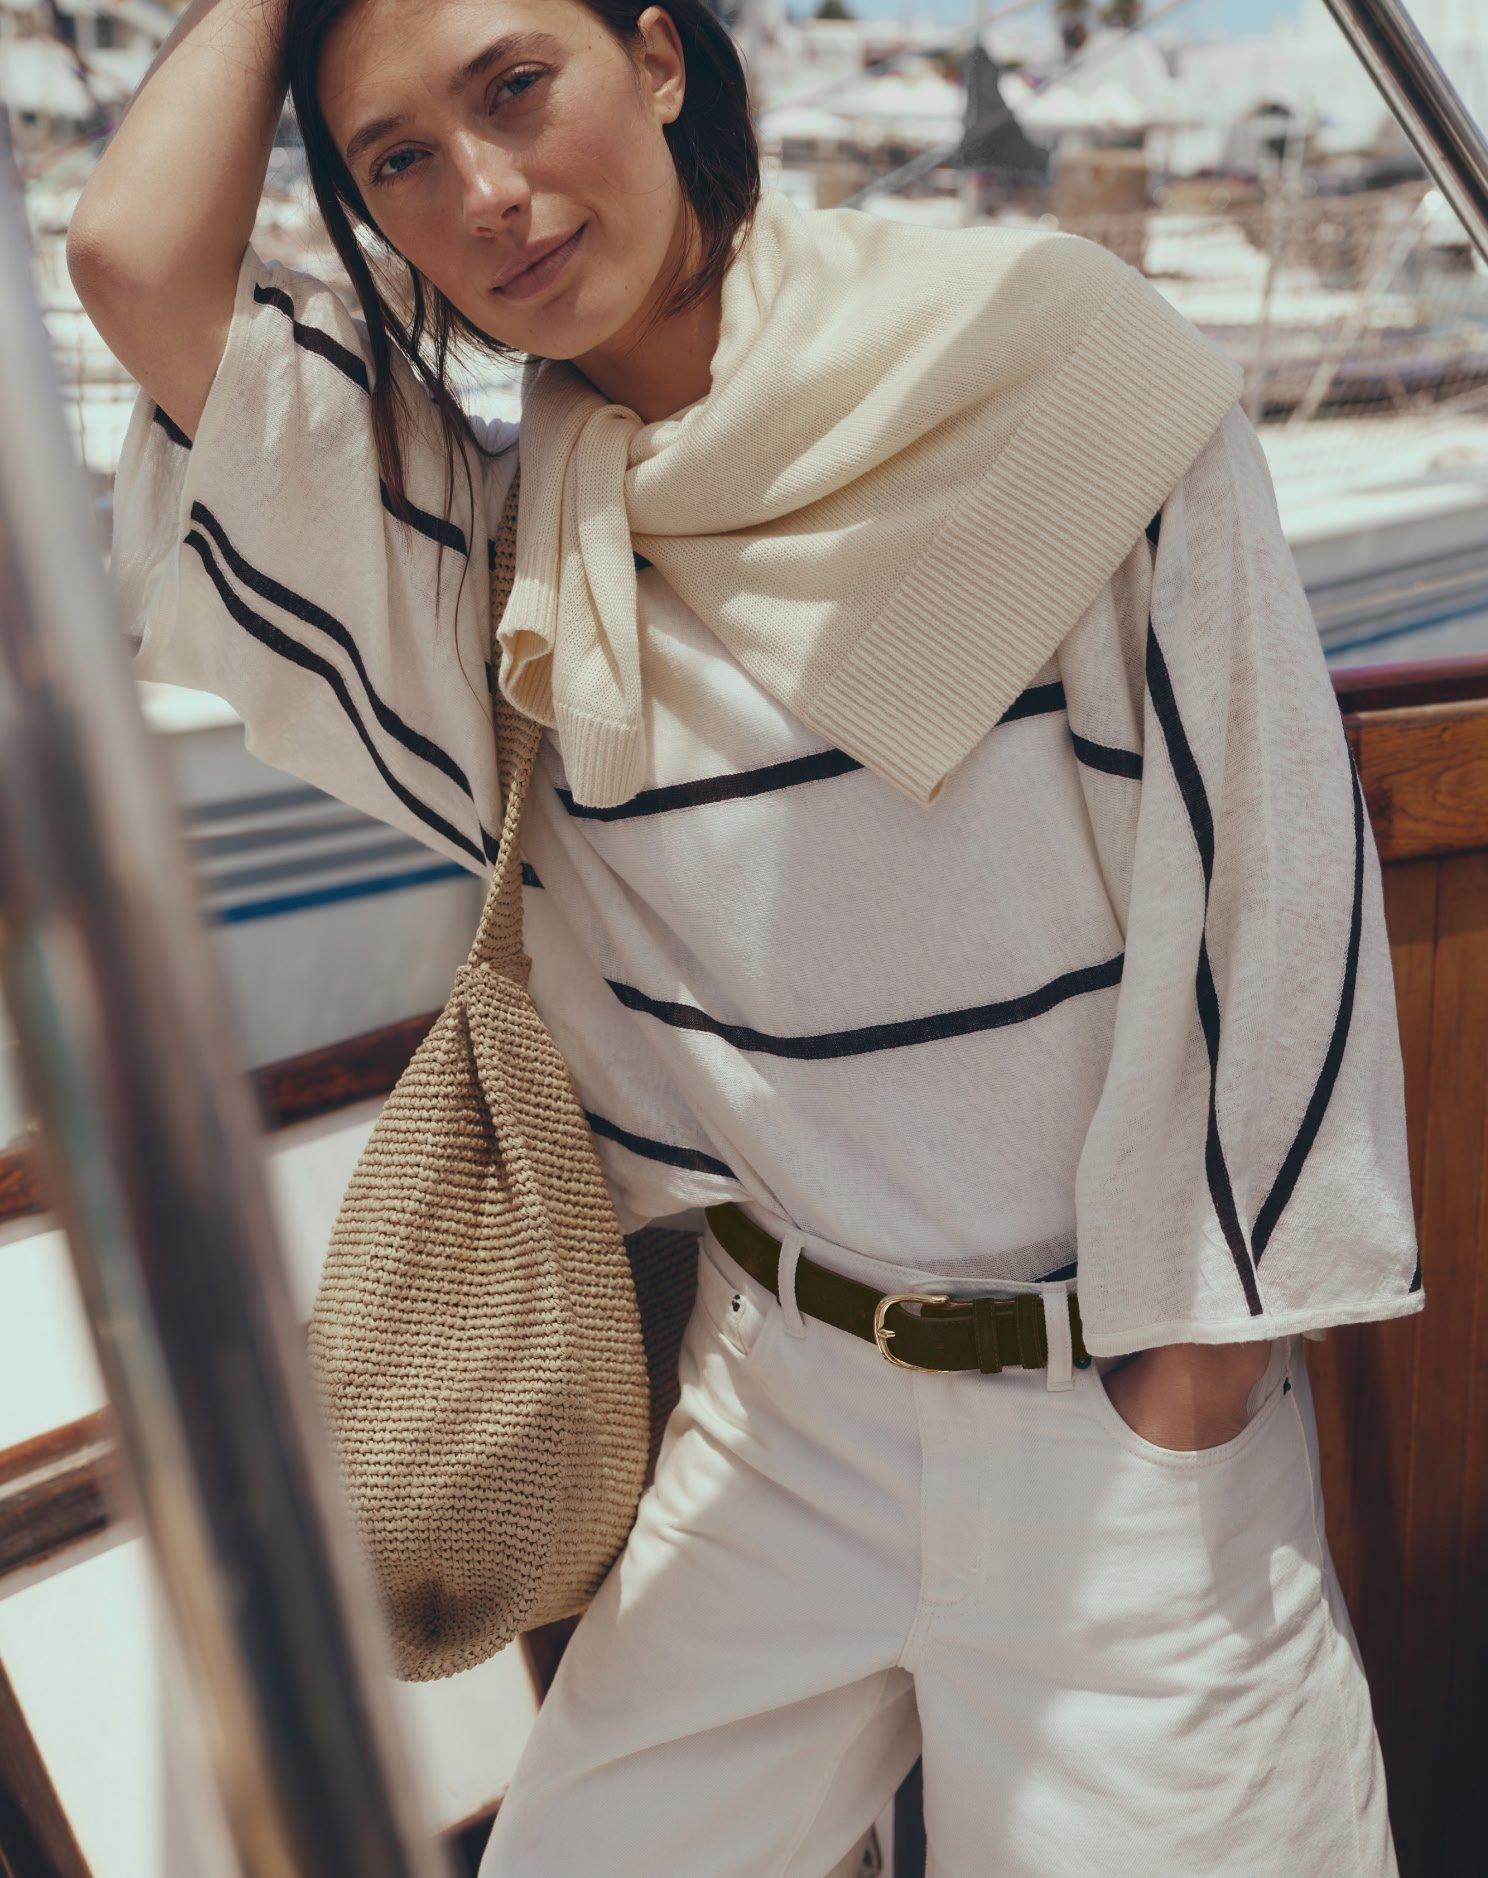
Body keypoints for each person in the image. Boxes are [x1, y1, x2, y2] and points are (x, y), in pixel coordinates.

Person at [70, 1, 1424, 1870]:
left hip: (1115, 1428)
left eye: (516, 88)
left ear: (659, 57)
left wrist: (1180, 1399)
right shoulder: (514, 557)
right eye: (398, 160)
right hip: (781, 1407)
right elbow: (136, 259)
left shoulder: (1044, 362)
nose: (486, 194)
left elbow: (1278, 886)